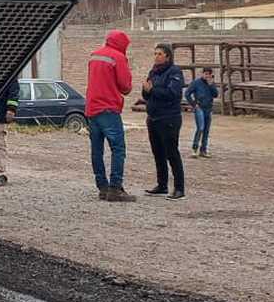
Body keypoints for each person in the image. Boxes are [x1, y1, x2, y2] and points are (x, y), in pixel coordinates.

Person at [84, 29, 134, 202]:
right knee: (118, 149)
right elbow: (125, 86)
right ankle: (115, 188)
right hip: (108, 109)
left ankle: (102, 187)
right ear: (122, 44)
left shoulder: (94, 55)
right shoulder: (118, 57)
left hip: (91, 108)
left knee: (96, 150)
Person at [142, 43, 186, 198]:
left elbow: (173, 93)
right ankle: (162, 185)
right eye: (155, 53)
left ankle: (179, 188)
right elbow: (147, 94)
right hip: (153, 117)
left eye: (159, 54)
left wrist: (153, 90)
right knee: (158, 153)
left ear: (167, 56)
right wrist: (146, 90)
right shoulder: (153, 72)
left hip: (169, 118)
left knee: (171, 153)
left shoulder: (174, 72)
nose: (156, 56)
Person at [186, 65, 218, 157]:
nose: (207, 76)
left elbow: (215, 94)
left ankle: (203, 150)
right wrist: (193, 104)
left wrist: (211, 84)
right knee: (201, 127)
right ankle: (195, 148)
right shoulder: (196, 83)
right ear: (202, 74)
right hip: (199, 107)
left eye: (209, 74)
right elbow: (187, 93)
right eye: (205, 74)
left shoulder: (211, 83)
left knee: (206, 130)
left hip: (208, 107)